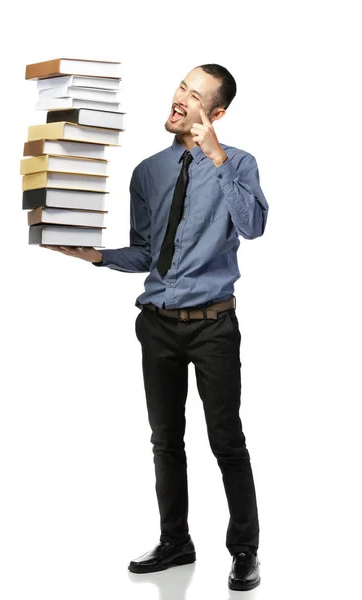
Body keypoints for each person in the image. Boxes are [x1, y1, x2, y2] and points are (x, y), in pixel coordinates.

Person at [40, 63, 269, 592]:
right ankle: (175, 542)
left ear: (216, 114)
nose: (179, 97)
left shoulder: (238, 163)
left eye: (194, 94)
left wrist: (217, 158)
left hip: (214, 325)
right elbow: (146, 252)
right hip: (158, 326)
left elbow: (254, 226)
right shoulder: (146, 172)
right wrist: (93, 255)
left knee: (226, 440)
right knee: (165, 441)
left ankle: (244, 550)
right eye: (180, 87)